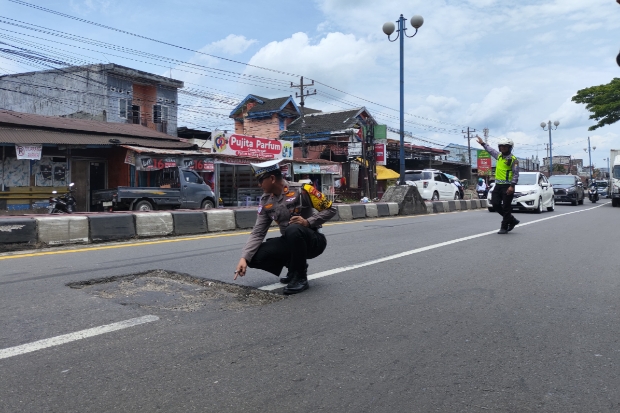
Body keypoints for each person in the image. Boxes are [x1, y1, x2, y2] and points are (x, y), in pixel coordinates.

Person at [234, 159, 337, 295]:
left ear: (271, 178)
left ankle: (300, 277)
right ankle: (294, 267)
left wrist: (308, 222)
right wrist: (244, 258)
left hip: (313, 241)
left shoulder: (302, 191)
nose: (259, 185)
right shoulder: (266, 201)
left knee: (293, 229)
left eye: (260, 180)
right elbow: (258, 232)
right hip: (291, 241)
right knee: (253, 256)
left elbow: (331, 209)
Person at [476, 136, 520, 234]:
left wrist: (512, 186)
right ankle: (512, 220)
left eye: (505, 146)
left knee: (506, 207)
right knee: (495, 204)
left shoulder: (514, 160)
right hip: (498, 185)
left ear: (510, 147)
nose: (503, 148)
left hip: (508, 186)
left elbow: (516, 174)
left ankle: (504, 227)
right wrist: (483, 143)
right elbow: (490, 150)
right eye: (501, 146)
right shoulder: (499, 156)